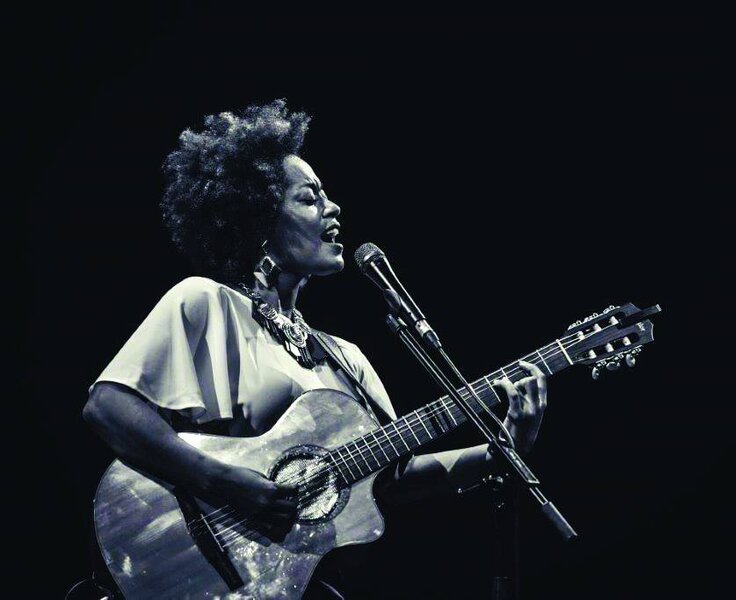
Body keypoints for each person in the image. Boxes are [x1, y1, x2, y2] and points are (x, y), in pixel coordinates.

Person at [82, 100, 548, 599]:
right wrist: (223, 482)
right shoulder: (205, 303)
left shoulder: (346, 360)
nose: (333, 208)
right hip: (193, 563)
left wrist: (502, 450)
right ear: (257, 220)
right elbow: (108, 408)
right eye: (309, 198)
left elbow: (392, 479)